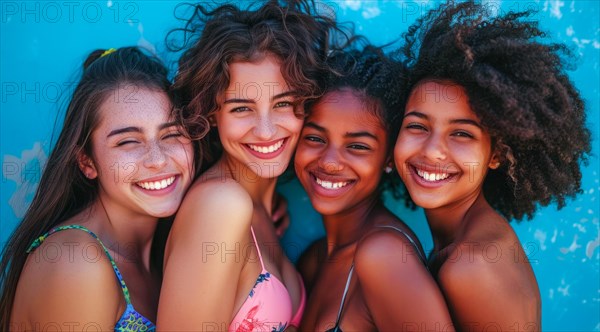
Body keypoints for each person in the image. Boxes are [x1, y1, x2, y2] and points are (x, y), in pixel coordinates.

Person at [393, 2, 591, 330]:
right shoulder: (463, 243)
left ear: (496, 153)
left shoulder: (471, 266)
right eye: (417, 126)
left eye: (462, 133)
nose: (433, 151)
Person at [156, 1, 344, 331]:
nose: (267, 130)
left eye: (283, 103)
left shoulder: (261, 209)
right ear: (213, 115)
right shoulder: (221, 206)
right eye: (242, 109)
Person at [0, 47, 195, 331]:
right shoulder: (76, 263)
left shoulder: (167, 252)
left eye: (172, 134)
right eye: (128, 141)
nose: (158, 159)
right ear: (86, 161)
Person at [295, 47, 454, 331]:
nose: (330, 162)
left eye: (357, 146)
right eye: (315, 138)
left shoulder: (385, 256)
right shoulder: (313, 261)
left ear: (389, 158)